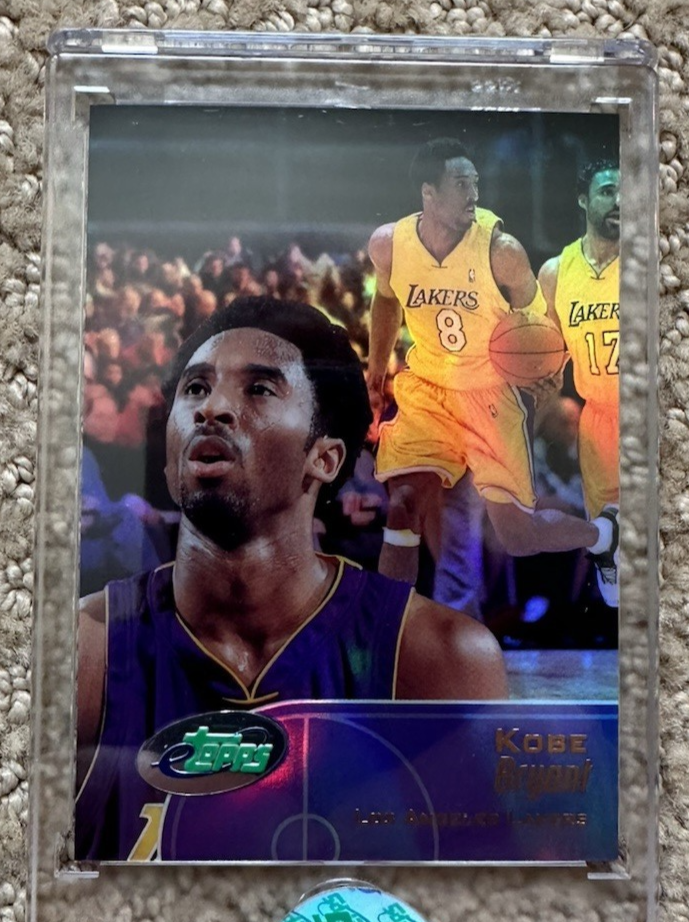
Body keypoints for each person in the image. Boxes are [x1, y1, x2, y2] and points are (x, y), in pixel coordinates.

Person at [75, 296, 507, 861]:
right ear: (168, 456)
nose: (213, 408)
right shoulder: (85, 650)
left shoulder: (440, 659)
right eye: (196, 388)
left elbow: (475, 906)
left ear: (325, 459)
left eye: (258, 389)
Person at [367, 137, 619, 595]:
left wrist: (544, 372)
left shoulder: (501, 250)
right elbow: (385, 300)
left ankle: (604, 534)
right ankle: (386, 625)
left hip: (490, 393)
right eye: (461, 184)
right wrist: (376, 369)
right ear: (429, 193)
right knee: (402, 502)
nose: (474, 193)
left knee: (517, 537)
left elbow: (538, 323)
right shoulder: (390, 245)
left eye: (475, 183)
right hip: (428, 387)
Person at [538, 159, 620, 605]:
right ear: (583, 199)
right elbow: (548, 369)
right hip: (598, 420)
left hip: (654, 416)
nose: (620, 201)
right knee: (613, 576)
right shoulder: (555, 273)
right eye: (607, 191)